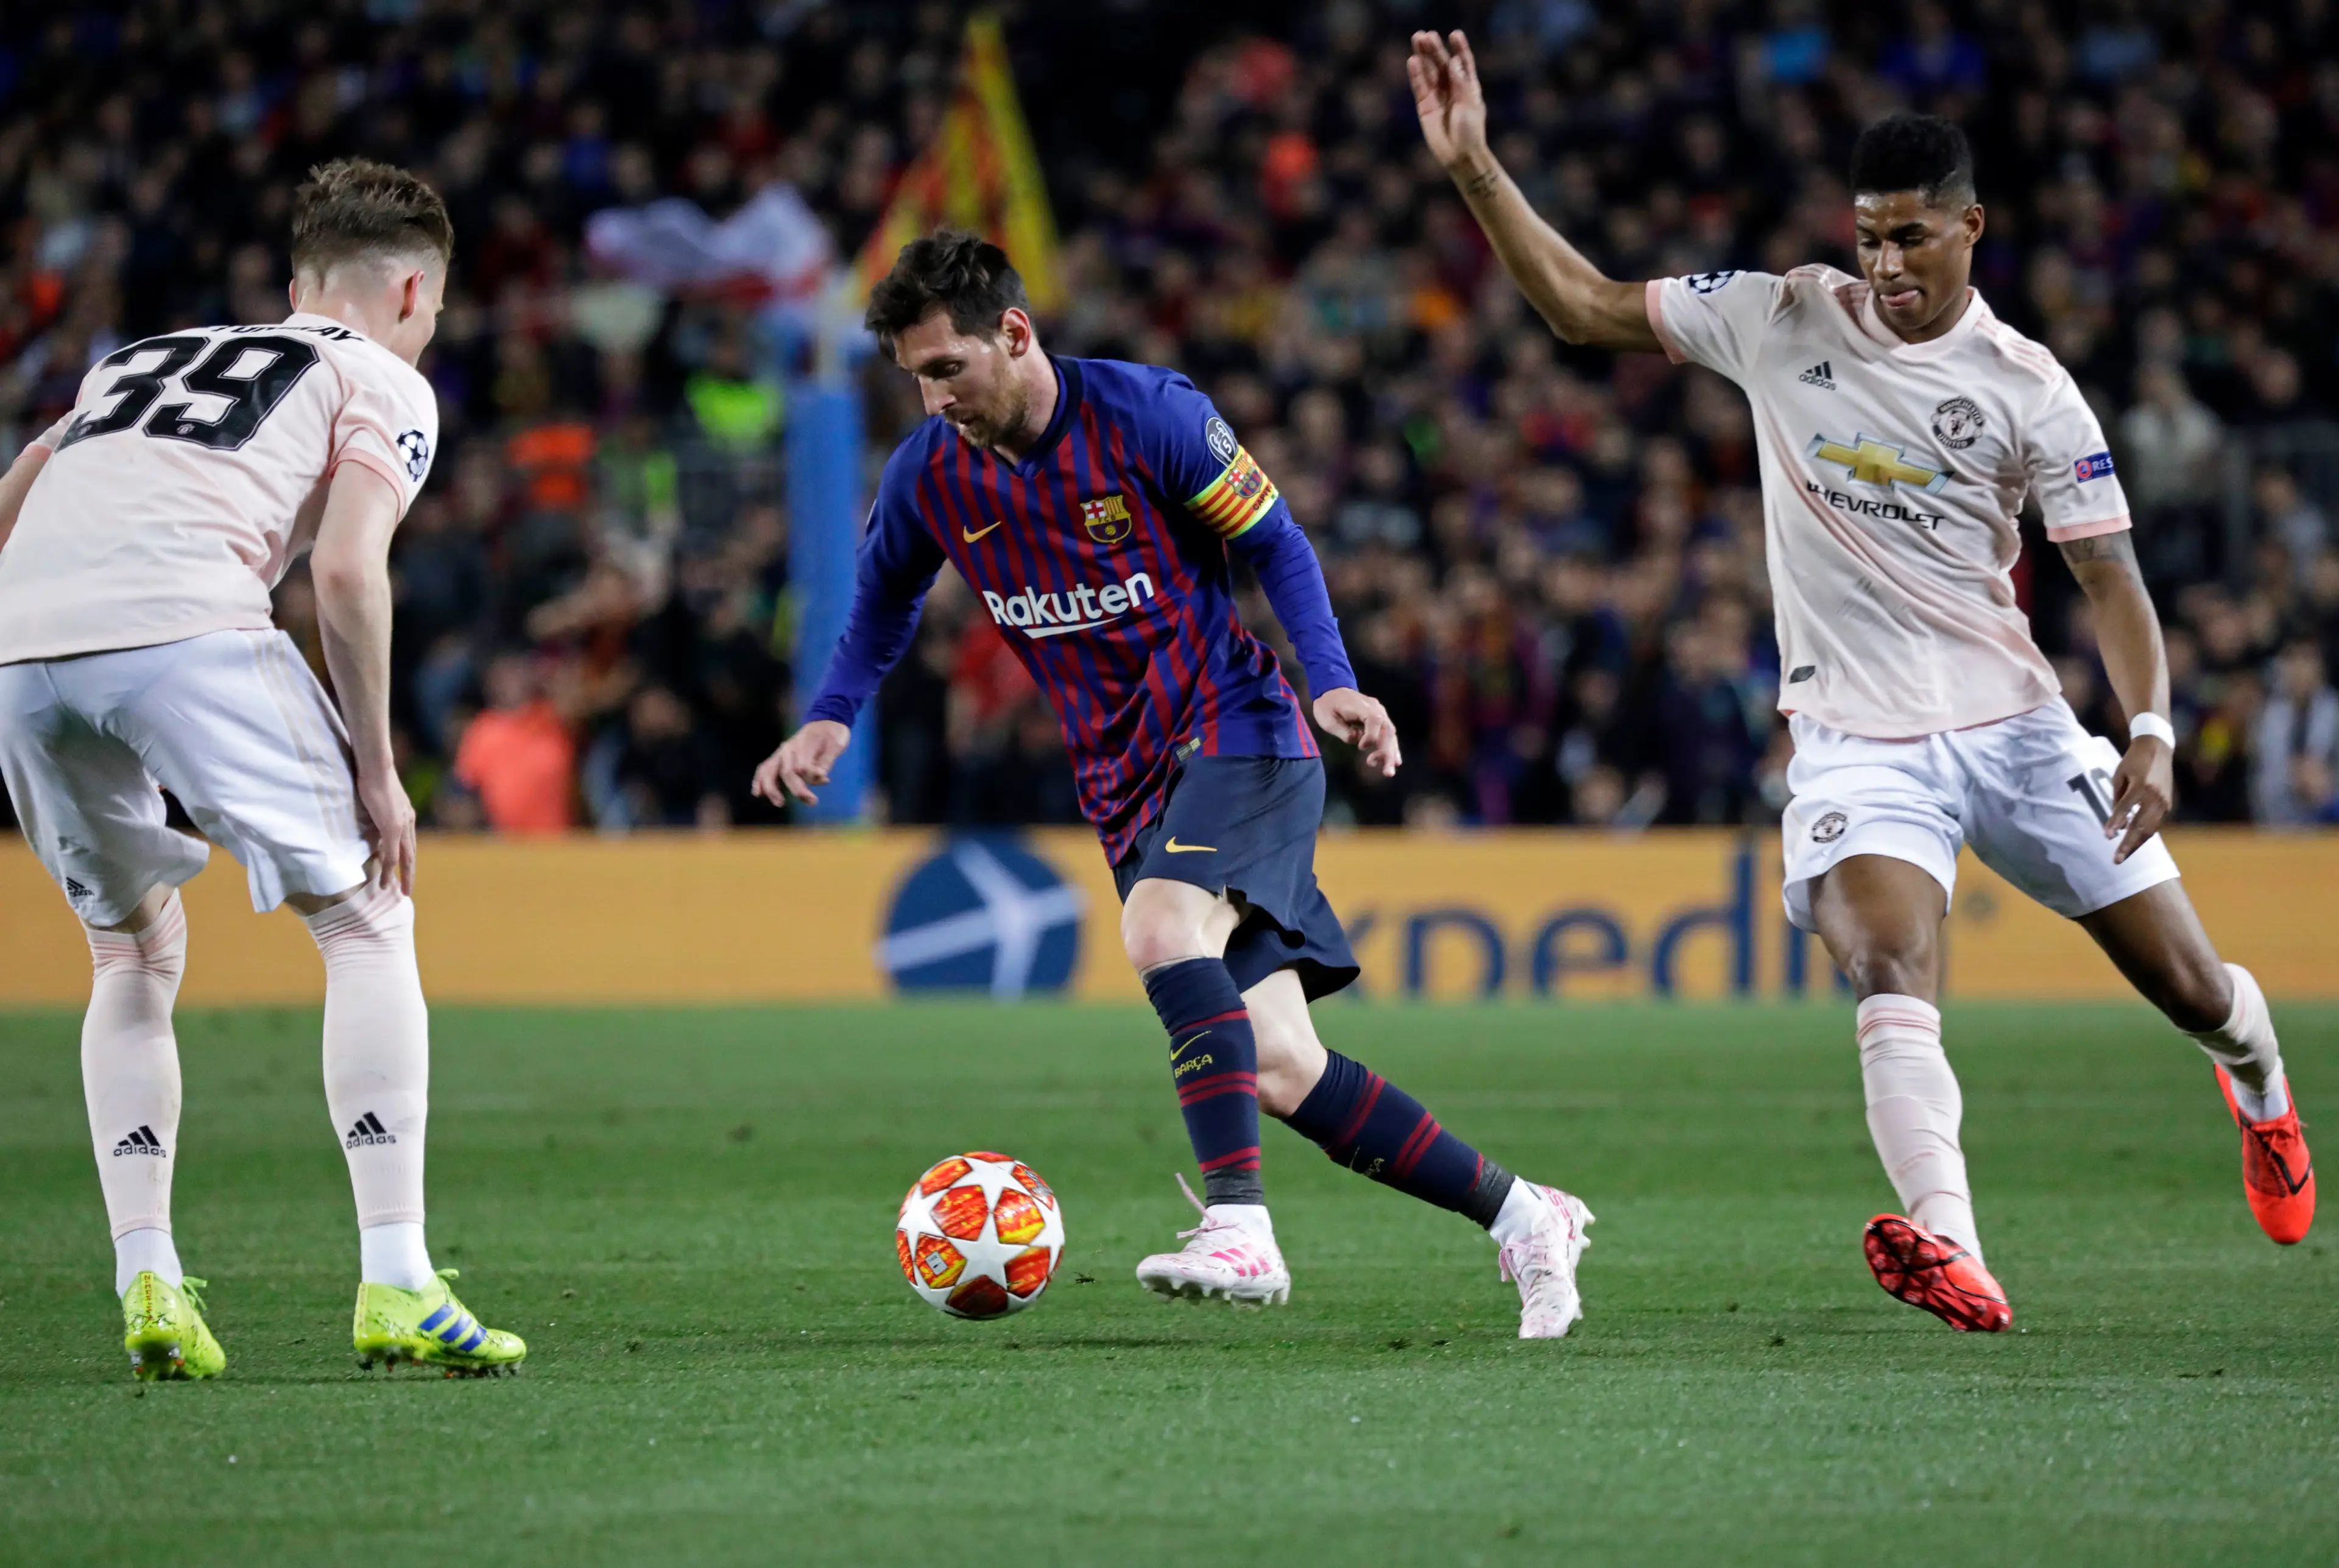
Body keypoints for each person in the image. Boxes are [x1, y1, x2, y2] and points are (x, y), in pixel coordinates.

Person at [1410, 31, 2312, 1331]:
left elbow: (2110, 579)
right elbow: (1584, 308)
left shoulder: (2030, 394)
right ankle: (1955, 1249)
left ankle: (2262, 1082)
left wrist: (2154, 729)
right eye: (1870, 235)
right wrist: (1476, 167)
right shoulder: (1781, 316)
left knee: (2192, 990)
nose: (1885, 264)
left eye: (1913, 239)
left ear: (1972, 230)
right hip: (1854, 739)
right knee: (1889, 963)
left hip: (2012, 726)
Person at [755, 231, 1594, 1338]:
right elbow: (883, 603)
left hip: (1240, 732)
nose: (931, 396)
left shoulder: (1147, 414)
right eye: (912, 375)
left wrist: (1332, 681)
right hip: (1128, 785)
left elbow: (1278, 543)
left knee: (1160, 930)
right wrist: (828, 717)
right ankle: (1527, 1213)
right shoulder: (929, 475)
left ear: (1015, 333)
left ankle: (1240, 1223)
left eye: (947, 367)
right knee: (1286, 1067)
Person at [0, 160, 524, 1379]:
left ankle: (149, 1281)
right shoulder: (377, 376)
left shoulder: (130, 362)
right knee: (367, 912)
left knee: (131, 953)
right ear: (409, 290)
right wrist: (382, 774)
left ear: (295, 286)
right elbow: (345, 571)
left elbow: (17, 494)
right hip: (183, 622)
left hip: (21, 651)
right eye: (434, 311)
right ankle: (397, 1277)